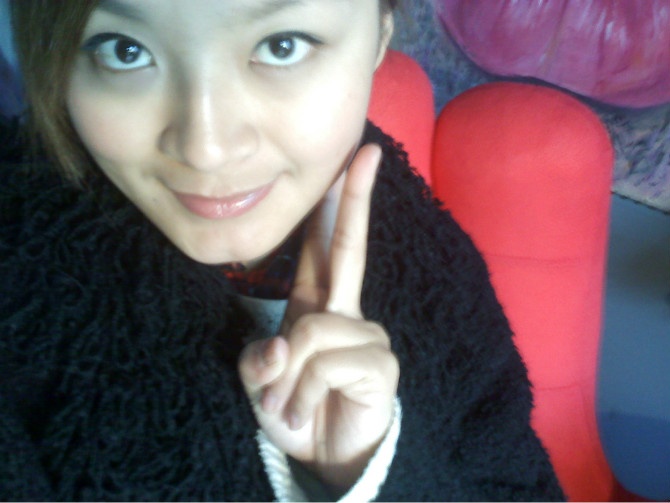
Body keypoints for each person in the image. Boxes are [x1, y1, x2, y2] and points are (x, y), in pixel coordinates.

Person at [0, 0, 565, 500]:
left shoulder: (436, 266)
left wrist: (363, 474)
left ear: (379, 38)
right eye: (125, 51)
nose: (206, 149)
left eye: (281, 45)